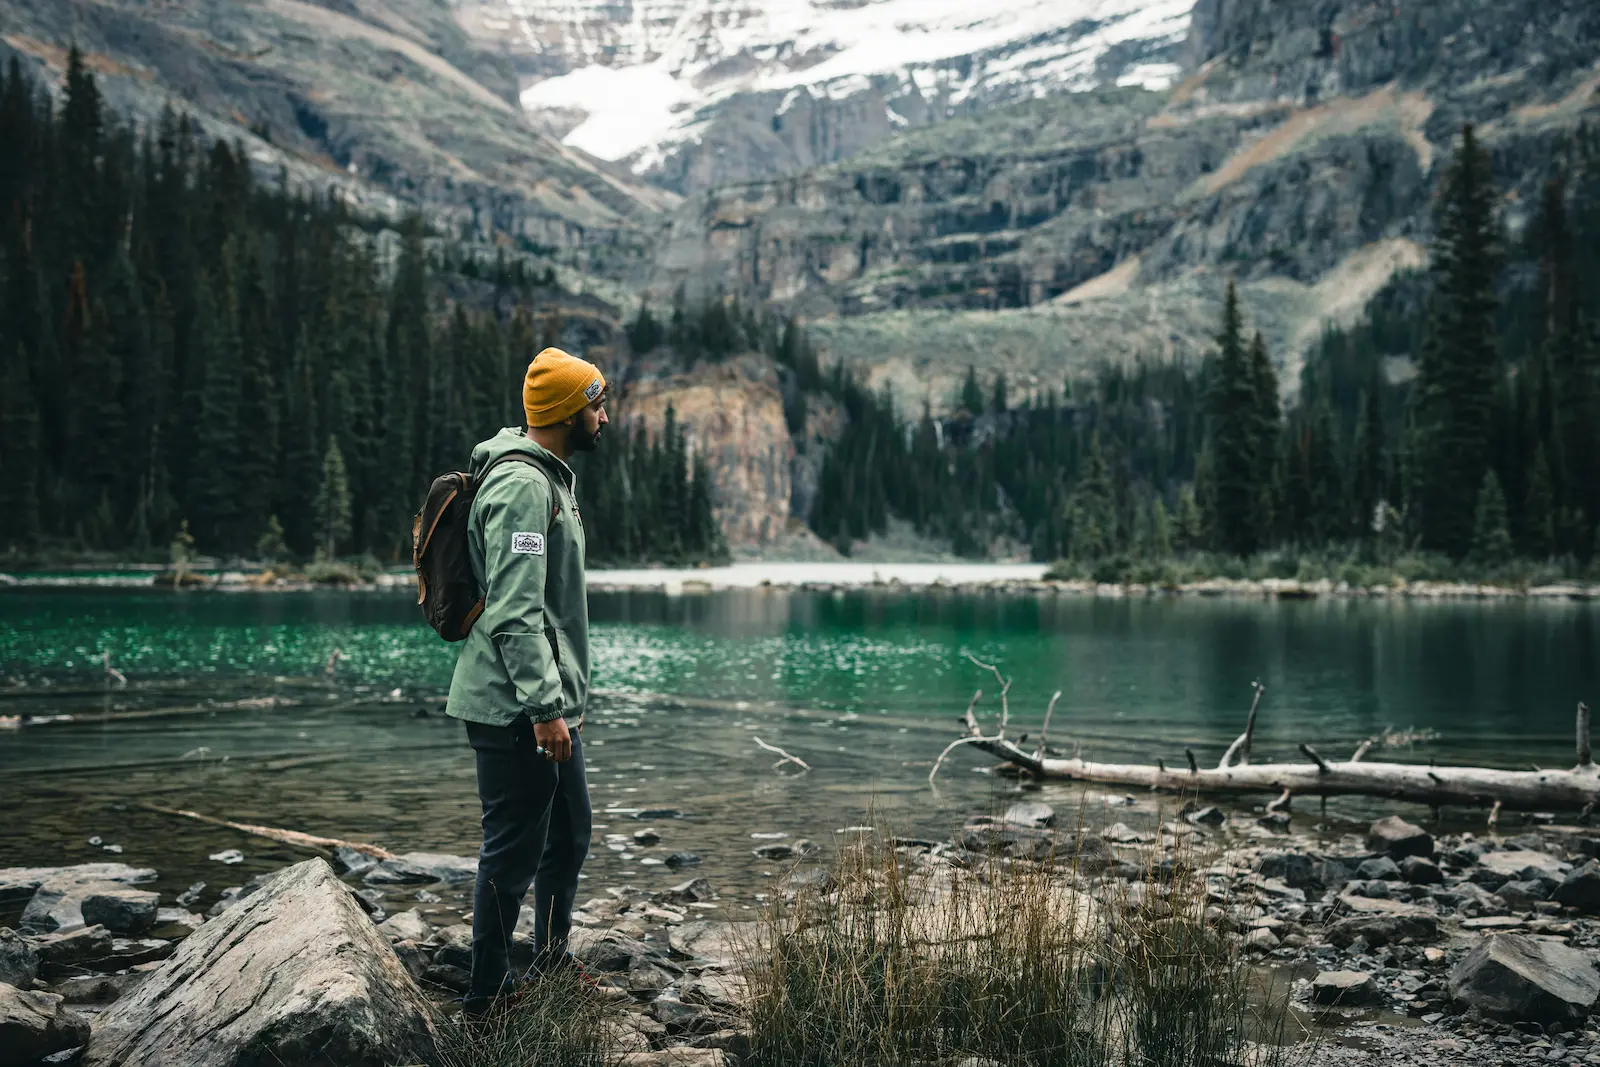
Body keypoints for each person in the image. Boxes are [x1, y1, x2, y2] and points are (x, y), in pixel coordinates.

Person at [445, 346, 609, 1012]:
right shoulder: (522, 487)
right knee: (511, 852)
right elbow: (514, 614)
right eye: (596, 404)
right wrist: (544, 708)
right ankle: (487, 997)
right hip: (514, 707)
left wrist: (557, 705)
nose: (605, 415)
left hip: (546, 705)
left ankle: (549, 958)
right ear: (570, 412)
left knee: (569, 832)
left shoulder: (551, 478)